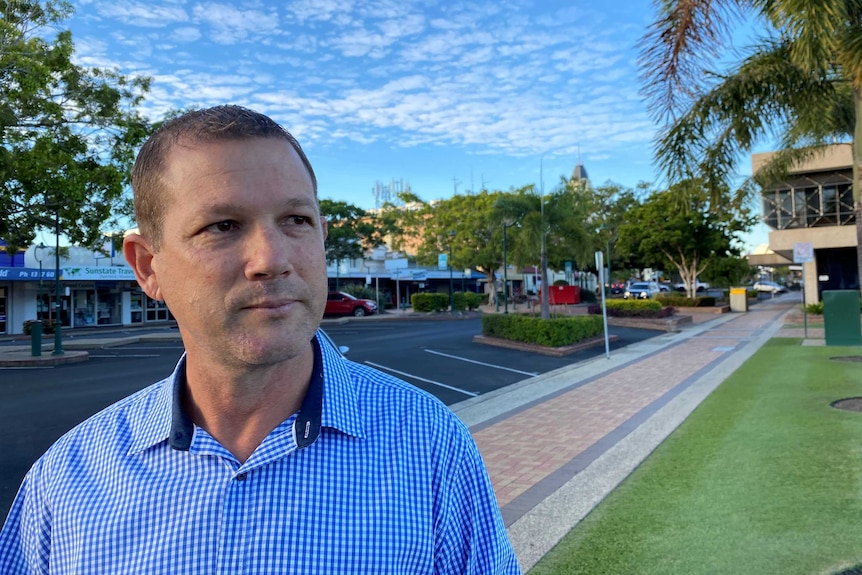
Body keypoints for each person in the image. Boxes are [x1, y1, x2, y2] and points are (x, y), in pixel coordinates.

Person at [0, 105, 520, 574]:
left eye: (296, 219)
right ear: (147, 266)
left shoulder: (430, 446)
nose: (272, 258)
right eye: (223, 225)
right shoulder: (66, 483)